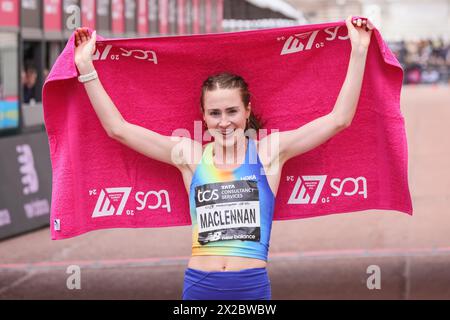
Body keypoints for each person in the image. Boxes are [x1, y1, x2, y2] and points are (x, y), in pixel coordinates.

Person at [73, 15, 374, 300]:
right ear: (203, 116)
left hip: (251, 287)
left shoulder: (269, 152)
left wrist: (358, 51)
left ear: (247, 110)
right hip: (199, 286)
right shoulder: (190, 155)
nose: (224, 121)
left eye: (232, 111)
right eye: (214, 113)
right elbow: (119, 130)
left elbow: (339, 119)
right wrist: (86, 68)